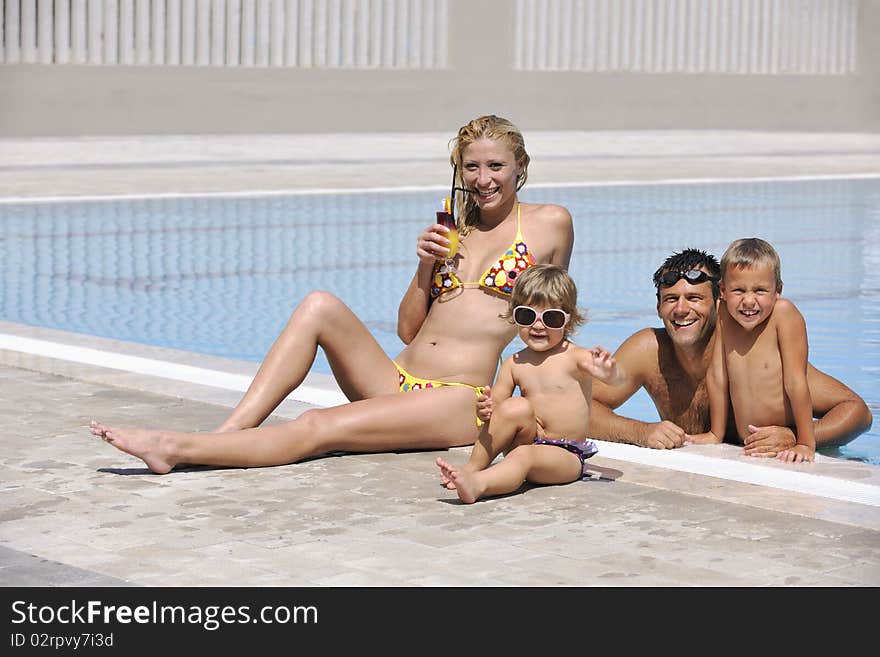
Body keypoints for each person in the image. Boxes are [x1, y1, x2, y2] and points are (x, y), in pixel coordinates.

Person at [89, 114, 575, 473]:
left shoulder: (549, 222)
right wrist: (426, 265)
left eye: (495, 166)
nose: (483, 179)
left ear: (520, 167)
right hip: (397, 375)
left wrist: (538, 408)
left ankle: (175, 449)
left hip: (458, 397)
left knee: (320, 425)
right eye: (471, 167)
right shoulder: (453, 230)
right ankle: (230, 433)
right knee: (318, 303)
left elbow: (551, 327)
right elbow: (408, 328)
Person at [590, 248, 872, 455]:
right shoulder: (648, 351)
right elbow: (578, 407)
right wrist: (642, 432)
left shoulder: (749, 350)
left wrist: (796, 436)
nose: (681, 310)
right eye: (671, 299)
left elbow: (857, 412)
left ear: (719, 301)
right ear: (658, 306)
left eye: (695, 298)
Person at [436, 264, 623, 503]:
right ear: (514, 315)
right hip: (526, 442)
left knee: (524, 456)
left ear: (568, 320)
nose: (537, 325)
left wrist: (611, 371)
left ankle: (479, 485)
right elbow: (498, 413)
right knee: (515, 407)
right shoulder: (514, 363)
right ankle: (471, 469)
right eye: (527, 315)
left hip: (564, 455)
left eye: (551, 318)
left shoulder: (577, 358)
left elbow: (615, 380)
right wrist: (484, 410)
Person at [688, 238, 815, 462]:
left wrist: (804, 442)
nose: (748, 301)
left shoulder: (783, 315)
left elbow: (796, 381)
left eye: (760, 290)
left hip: (782, 439)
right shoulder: (724, 314)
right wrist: (716, 433)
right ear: (723, 291)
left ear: (778, 290)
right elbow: (718, 375)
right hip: (748, 445)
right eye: (738, 290)